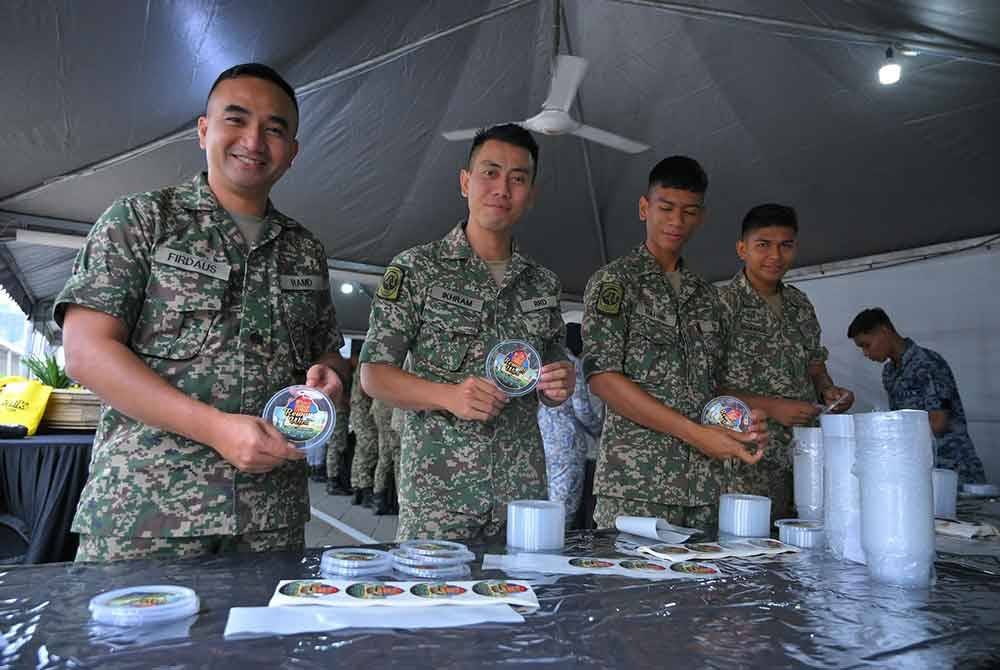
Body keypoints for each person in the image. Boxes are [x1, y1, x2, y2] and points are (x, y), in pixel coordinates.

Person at [54, 63, 348, 562]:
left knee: (262, 643)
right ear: (204, 130)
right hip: (148, 515)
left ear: (292, 153)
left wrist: (331, 375)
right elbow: (86, 353)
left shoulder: (303, 249)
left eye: (275, 129)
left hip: (269, 519)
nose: (254, 140)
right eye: (237, 120)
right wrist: (215, 429)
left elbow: (326, 350)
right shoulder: (142, 220)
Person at [360, 123, 575, 540]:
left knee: (519, 602)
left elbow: (551, 362)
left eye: (518, 178)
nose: (502, 188)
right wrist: (449, 396)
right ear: (465, 182)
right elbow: (374, 375)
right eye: (490, 172)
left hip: (521, 494)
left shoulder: (542, 284)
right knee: (437, 603)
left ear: (530, 195)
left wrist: (558, 381)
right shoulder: (417, 269)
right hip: (440, 496)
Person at [582, 156, 768, 532]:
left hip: (705, 486)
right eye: (665, 208)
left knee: (705, 590)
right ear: (644, 208)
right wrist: (696, 434)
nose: (676, 222)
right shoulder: (615, 283)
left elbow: (714, 386)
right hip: (637, 487)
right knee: (633, 591)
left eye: (689, 212)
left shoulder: (706, 296)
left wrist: (741, 418)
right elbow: (602, 379)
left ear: (701, 217)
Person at [718, 204, 854, 520]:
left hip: (803, 457)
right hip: (747, 460)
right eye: (763, 245)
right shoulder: (721, 305)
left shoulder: (800, 304)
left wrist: (829, 392)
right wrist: (772, 406)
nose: (775, 256)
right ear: (742, 249)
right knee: (749, 552)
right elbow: (705, 388)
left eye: (786, 245)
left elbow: (815, 365)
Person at [848, 308, 986, 484]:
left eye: (866, 345)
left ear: (884, 331)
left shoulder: (927, 363)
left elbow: (938, 422)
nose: (866, 354)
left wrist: (890, 446)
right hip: (920, 467)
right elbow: (901, 421)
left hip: (952, 468)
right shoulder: (890, 372)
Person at [538, 322, 604, 527]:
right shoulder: (571, 365)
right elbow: (582, 408)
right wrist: (599, 429)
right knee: (562, 510)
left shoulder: (543, 360)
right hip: (567, 445)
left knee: (543, 502)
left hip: (542, 438)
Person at [326, 340, 361, 495]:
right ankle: (332, 482)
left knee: (338, 445)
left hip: (339, 411)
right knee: (336, 445)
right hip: (338, 411)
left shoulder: (345, 368)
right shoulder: (341, 369)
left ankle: (335, 480)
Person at [370, 397, 400, 515]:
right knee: (398, 455)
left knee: (384, 454)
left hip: (381, 408)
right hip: (391, 410)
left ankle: (379, 499)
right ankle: (399, 502)